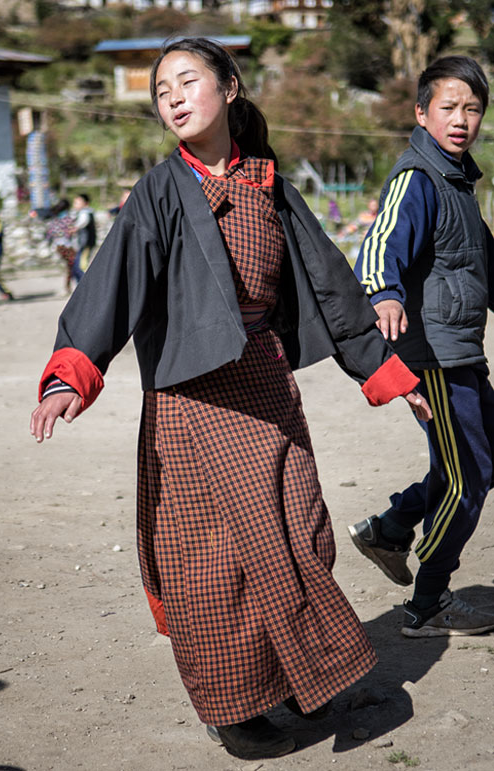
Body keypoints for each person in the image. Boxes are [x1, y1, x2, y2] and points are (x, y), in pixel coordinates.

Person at [30, 37, 431, 761]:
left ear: (232, 88)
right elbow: (110, 284)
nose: (174, 97)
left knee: (299, 532)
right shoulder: (159, 191)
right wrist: (71, 372)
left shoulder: (271, 184)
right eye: (161, 91)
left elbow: (335, 289)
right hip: (191, 404)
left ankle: (301, 682)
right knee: (209, 562)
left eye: (188, 81)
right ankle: (237, 711)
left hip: (266, 388)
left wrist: (390, 374)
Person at [349, 55, 494, 639]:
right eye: (449, 107)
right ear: (422, 112)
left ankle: (390, 527)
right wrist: (383, 292)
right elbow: (380, 240)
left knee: (478, 461)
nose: (461, 119)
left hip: (462, 350)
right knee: (468, 476)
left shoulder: (459, 181)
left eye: (473, 109)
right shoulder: (418, 177)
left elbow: (484, 266)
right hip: (431, 354)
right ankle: (428, 603)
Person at [46, 199, 77, 294]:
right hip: (66, 246)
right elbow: (70, 233)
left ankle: (68, 286)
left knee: (70, 266)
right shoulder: (67, 219)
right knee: (73, 265)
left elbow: (49, 234)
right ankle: (69, 286)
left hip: (58, 246)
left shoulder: (54, 219)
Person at [71, 192, 96, 282]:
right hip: (83, 244)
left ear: (85, 203)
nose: (75, 205)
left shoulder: (85, 213)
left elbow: (83, 221)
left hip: (86, 243)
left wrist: (75, 228)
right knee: (77, 266)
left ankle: (85, 284)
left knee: (81, 266)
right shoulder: (81, 213)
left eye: (78, 202)